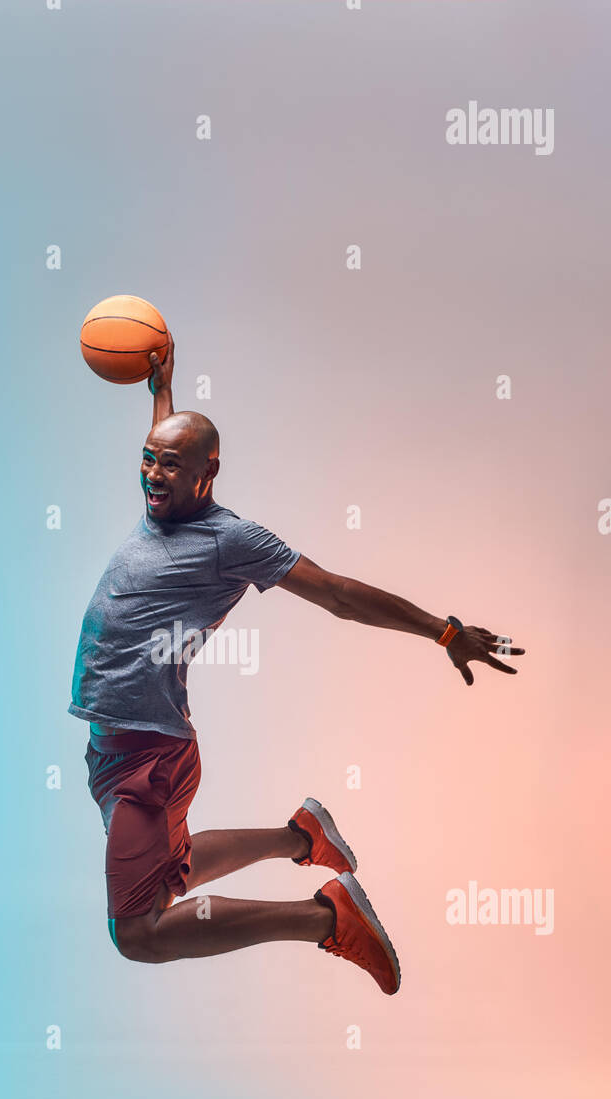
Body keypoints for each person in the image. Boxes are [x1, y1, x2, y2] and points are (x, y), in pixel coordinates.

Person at [68, 333, 524, 993]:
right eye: (147, 461)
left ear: (207, 475)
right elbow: (167, 447)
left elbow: (337, 594)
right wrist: (162, 392)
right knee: (173, 871)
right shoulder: (160, 506)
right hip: (114, 742)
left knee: (138, 932)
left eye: (169, 466)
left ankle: (322, 917)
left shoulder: (231, 540)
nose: (152, 477)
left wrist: (441, 630)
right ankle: (300, 836)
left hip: (148, 753)